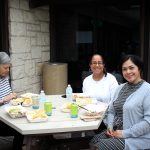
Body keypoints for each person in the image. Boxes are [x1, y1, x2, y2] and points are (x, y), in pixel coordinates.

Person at [89, 54, 150, 150]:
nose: (128, 72)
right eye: (124, 69)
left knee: (100, 146)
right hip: (116, 131)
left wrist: (124, 133)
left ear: (139, 68)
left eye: (131, 68)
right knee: (94, 141)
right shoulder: (120, 88)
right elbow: (111, 110)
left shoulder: (147, 90)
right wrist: (109, 126)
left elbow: (148, 122)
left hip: (137, 137)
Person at [0, 52, 24, 150]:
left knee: (24, 121)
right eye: (5, 68)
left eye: (9, 68)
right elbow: (5, 98)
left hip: (7, 113)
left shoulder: (5, 77)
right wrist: (4, 99)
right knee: (20, 130)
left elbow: (9, 96)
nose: (8, 70)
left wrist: (13, 97)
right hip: (1, 119)